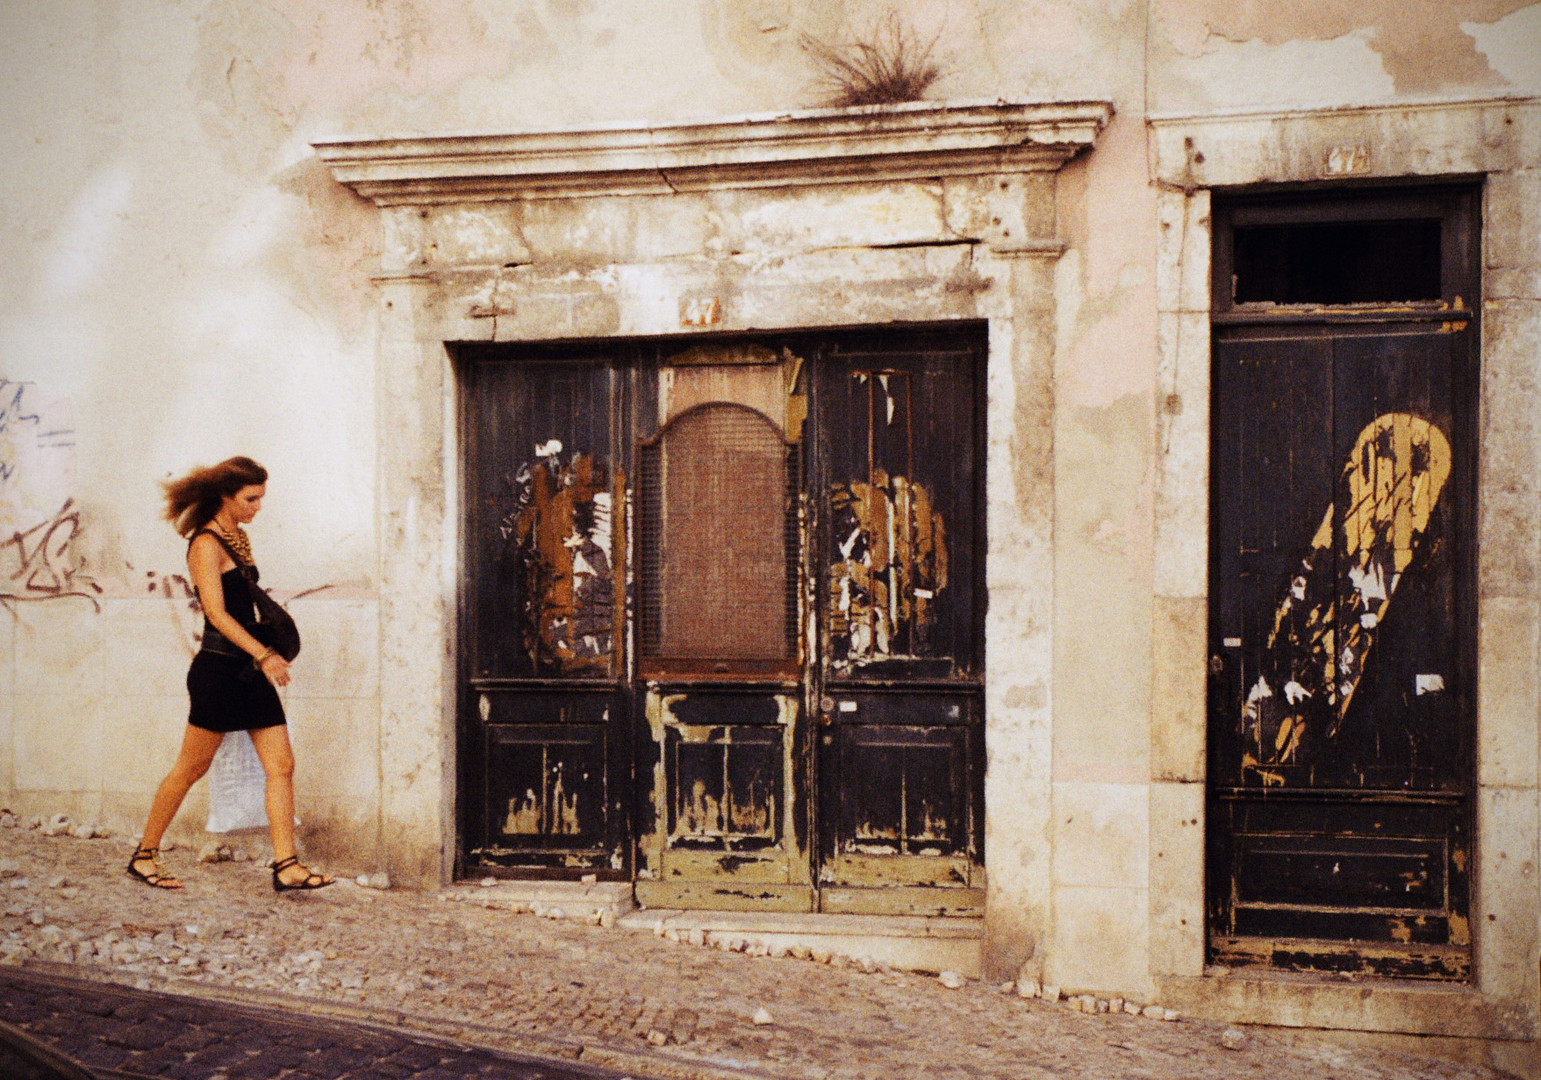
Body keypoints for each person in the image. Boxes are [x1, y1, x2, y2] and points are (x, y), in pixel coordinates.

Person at [127, 456, 333, 892]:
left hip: (248, 670)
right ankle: (144, 855)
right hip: (220, 672)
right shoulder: (206, 543)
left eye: (261, 498)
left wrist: (263, 654)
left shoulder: (236, 536)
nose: (259, 507)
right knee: (191, 767)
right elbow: (217, 614)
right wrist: (266, 655)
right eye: (250, 498)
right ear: (225, 496)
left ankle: (287, 867)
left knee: (282, 765)